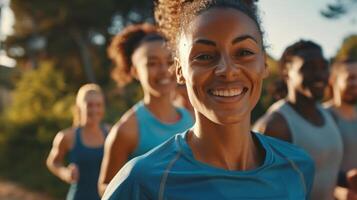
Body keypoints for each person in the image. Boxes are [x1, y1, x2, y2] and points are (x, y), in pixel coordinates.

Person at [102, 1, 315, 199]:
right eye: (204, 56)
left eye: (243, 52)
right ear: (179, 71)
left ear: (264, 63)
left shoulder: (298, 167)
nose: (227, 70)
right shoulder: (142, 180)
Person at [97, 23, 194, 195]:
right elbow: (105, 188)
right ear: (135, 71)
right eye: (152, 63)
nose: (164, 70)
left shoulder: (192, 118)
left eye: (170, 61)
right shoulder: (127, 129)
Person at [254, 40, 343, 200]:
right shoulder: (275, 125)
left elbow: (325, 170)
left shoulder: (329, 115)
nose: (320, 75)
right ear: (287, 72)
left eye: (324, 66)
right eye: (308, 67)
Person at [46, 84, 109, 200]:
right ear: (79, 107)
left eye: (99, 105)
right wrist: (65, 173)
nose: (95, 110)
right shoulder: (67, 136)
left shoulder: (111, 133)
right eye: (89, 105)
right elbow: (53, 162)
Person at [324, 56, 357, 199]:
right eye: (351, 78)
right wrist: (338, 191)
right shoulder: (321, 117)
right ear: (333, 80)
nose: (355, 83)